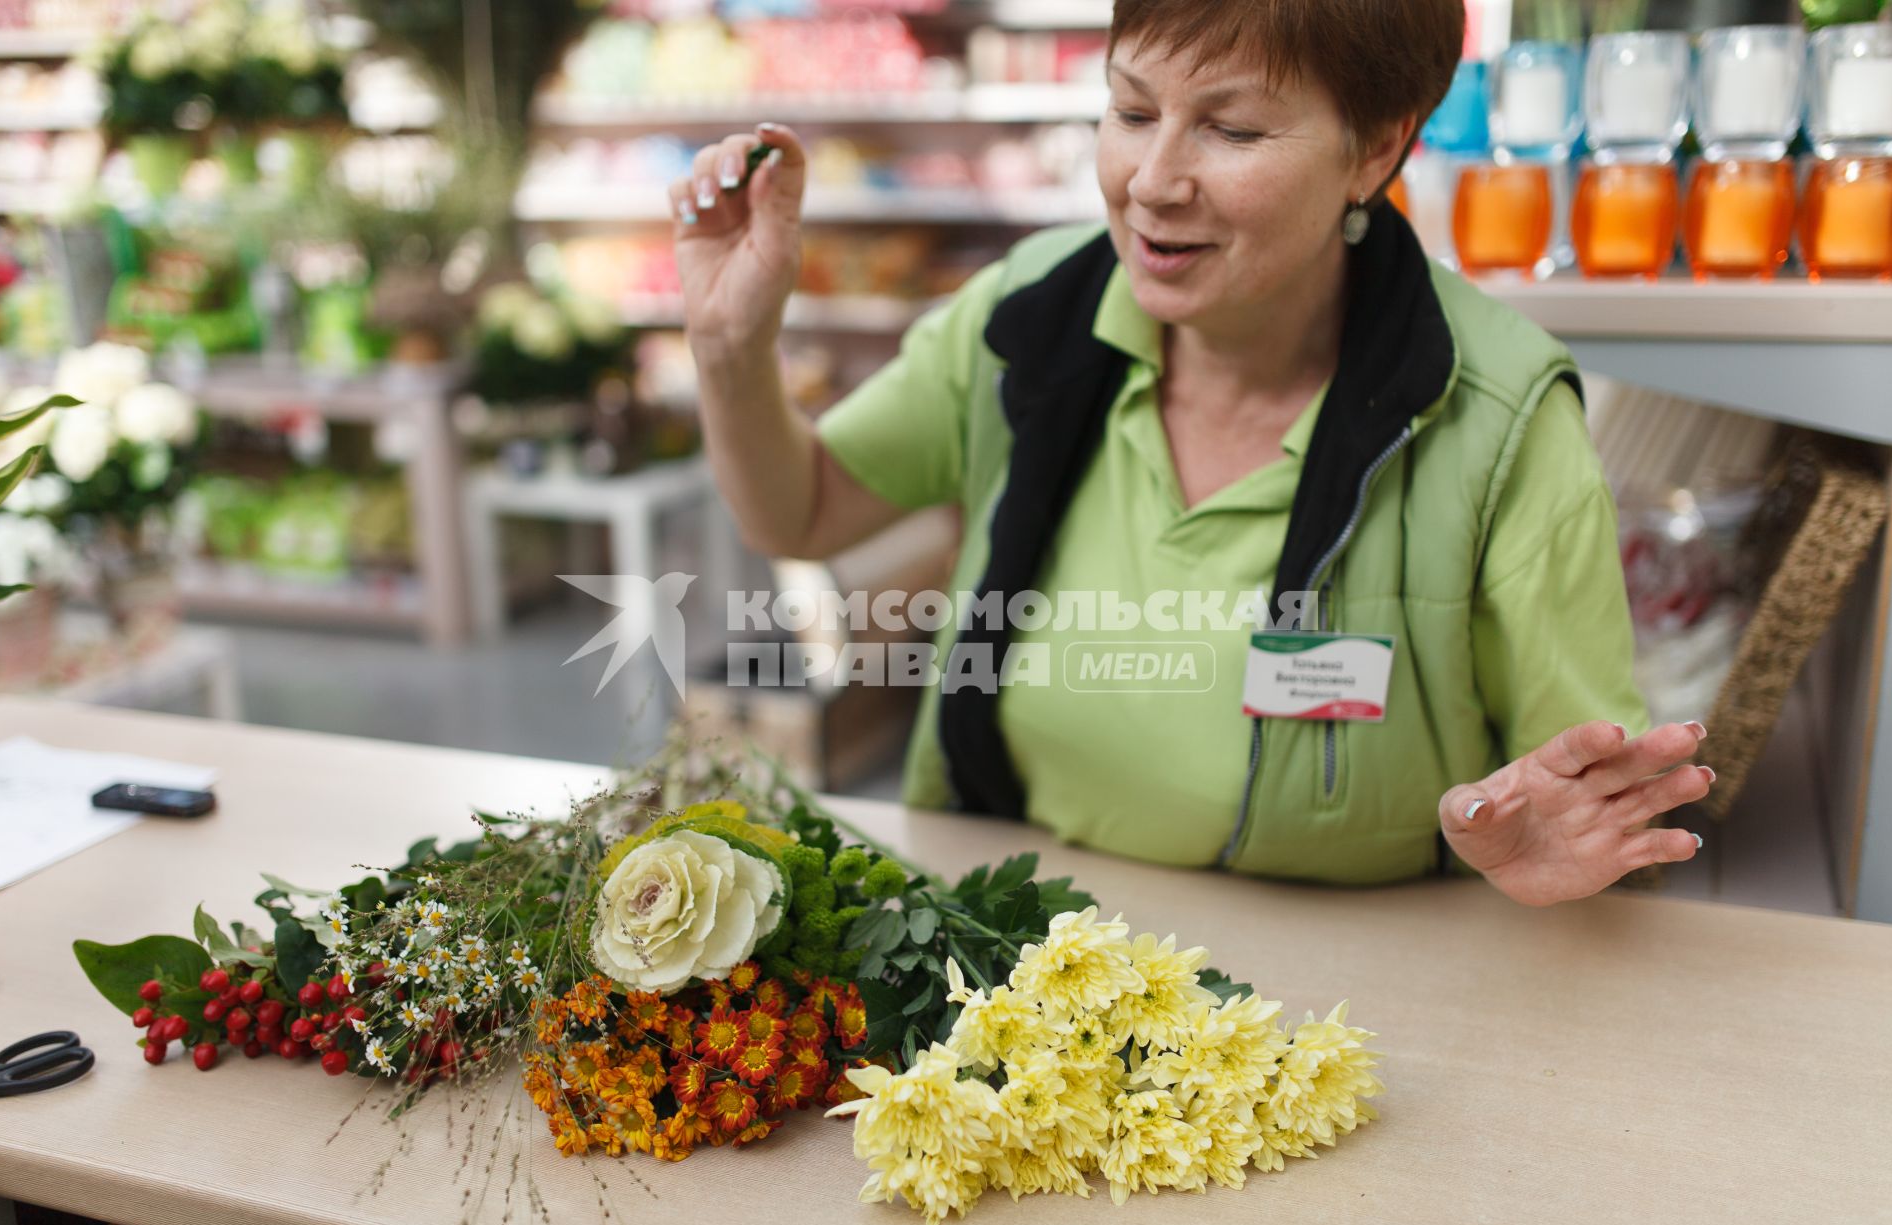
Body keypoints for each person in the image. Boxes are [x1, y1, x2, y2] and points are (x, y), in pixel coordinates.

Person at [668, 0, 1713, 908]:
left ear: (1376, 150)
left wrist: (1540, 846)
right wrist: (729, 346)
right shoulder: (1028, 318)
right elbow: (797, 513)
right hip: (1009, 953)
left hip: (1356, 1003)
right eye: (1130, 112)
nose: (1153, 181)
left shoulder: (1500, 416)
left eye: (1233, 128)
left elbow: (1600, 813)